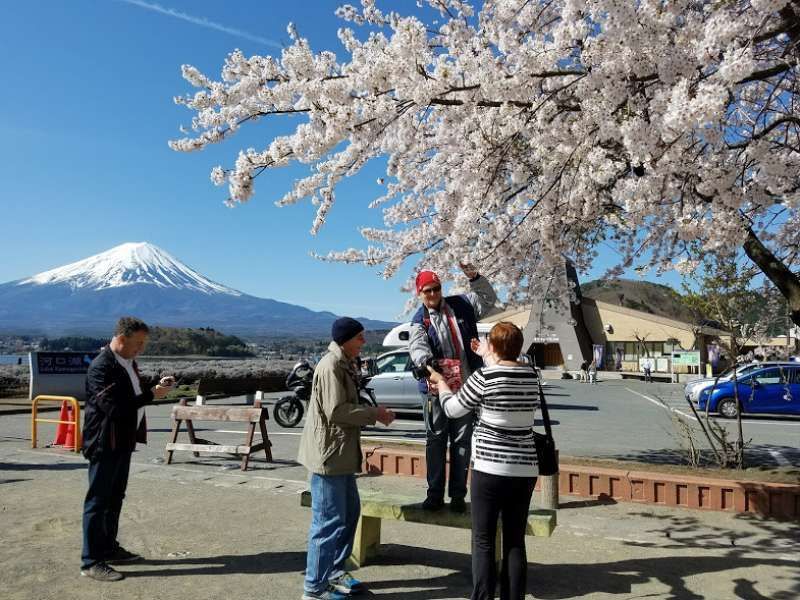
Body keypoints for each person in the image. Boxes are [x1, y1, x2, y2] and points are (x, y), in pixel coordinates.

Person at [428, 322, 540, 600]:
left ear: (495, 346)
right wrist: (487, 354)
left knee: (483, 540)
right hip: (525, 469)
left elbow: (453, 409)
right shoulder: (531, 376)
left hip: (490, 469)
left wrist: (442, 384)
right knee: (515, 541)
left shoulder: (484, 378)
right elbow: (504, 365)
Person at [298, 317, 396, 600]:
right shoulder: (330, 367)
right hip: (328, 457)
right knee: (327, 522)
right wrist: (374, 414)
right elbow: (337, 412)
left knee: (350, 514)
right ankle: (314, 588)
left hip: (340, 455)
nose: (364, 342)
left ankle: (334, 572)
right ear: (345, 339)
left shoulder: (344, 364)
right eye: (359, 337)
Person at [80, 317, 174, 582]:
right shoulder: (102, 367)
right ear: (121, 339)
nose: (141, 349)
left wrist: (155, 386)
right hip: (104, 441)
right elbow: (115, 408)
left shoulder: (127, 362)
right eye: (138, 343)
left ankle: (108, 547)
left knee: (114, 497)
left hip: (122, 440)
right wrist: (150, 395)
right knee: (97, 501)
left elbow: (130, 394)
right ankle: (91, 560)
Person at [409, 263, 499, 512]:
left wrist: (475, 277)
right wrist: (426, 363)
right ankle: (434, 494)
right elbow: (417, 346)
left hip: (466, 387)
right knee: (436, 440)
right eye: (427, 291)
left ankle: (458, 495)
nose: (433, 294)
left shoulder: (461, 305)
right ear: (419, 293)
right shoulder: (420, 320)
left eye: (436, 289)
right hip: (436, 388)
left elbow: (488, 298)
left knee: (462, 441)